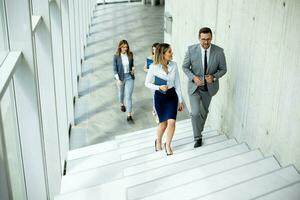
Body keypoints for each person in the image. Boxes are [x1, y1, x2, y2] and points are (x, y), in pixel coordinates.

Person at [182, 27, 227, 148]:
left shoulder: (219, 52)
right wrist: (193, 78)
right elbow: (185, 67)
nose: (205, 42)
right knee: (196, 113)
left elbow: (223, 69)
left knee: (204, 112)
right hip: (194, 88)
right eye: (203, 39)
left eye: (208, 39)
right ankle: (197, 137)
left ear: (211, 38)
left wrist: (214, 77)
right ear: (199, 38)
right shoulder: (191, 50)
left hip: (209, 89)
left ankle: (198, 130)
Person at [145, 43, 184, 156]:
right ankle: (158, 140)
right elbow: (147, 83)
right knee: (163, 124)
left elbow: (177, 83)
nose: (172, 53)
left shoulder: (174, 65)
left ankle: (168, 144)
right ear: (162, 54)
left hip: (172, 96)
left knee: (171, 122)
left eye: (171, 51)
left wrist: (180, 100)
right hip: (160, 97)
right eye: (169, 52)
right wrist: (159, 87)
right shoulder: (153, 67)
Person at [113, 40, 135, 122]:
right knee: (121, 93)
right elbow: (115, 70)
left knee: (128, 96)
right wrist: (118, 80)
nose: (125, 49)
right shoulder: (116, 56)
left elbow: (132, 64)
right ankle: (122, 104)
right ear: (120, 47)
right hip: (120, 78)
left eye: (126, 47)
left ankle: (129, 115)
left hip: (129, 77)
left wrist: (133, 69)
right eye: (123, 47)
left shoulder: (130, 54)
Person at [144, 42, 160, 123]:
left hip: (160, 81)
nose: (154, 51)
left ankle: (154, 109)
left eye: (156, 49)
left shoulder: (161, 58)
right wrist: (151, 70)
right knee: (155, 97)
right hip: (151, 82)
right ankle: (157, 115)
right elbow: (145, 68)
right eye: (153, 49)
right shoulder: (149, 58)